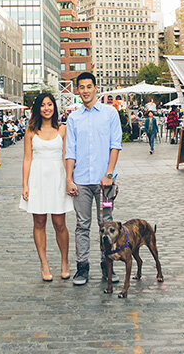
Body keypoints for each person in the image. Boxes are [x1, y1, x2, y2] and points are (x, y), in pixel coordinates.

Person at [65, 72, 121, 286]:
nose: (85, 90)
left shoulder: (110, 114)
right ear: (77, 91)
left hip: (104, 184)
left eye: (89, 86)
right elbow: (70, 151)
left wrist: (109, 174)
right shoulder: (73, 118)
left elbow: (115, 145)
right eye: (81, 87)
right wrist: (69, 179)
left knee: (106, 224)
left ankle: (108, 267)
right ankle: (82, 267)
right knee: (82, 225)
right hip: (81, 182)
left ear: (95, 88)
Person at [20, 93, 73, 281]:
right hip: (38, 179)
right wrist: (25, 184)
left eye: (50, 104)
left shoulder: (63, 130)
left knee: (60, 223)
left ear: (54, 107)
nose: (46, 108)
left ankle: (64, 261)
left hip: (57, 178)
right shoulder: (31, 131)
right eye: (43, 105)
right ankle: (44, 264)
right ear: (38, 108)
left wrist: (69, 179)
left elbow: (68, 156)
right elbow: (27, 158)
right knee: (39, 223)